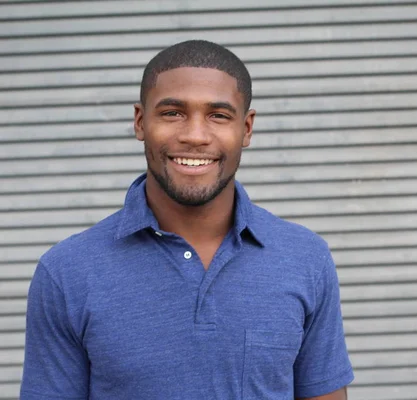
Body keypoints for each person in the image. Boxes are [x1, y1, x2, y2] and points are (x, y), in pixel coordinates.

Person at [20, 40, 354, 399]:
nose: (195, 135)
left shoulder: (305, 258)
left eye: (219, 115)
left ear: (247, 128)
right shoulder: (66, 272)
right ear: (139, 122)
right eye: (173, 113)